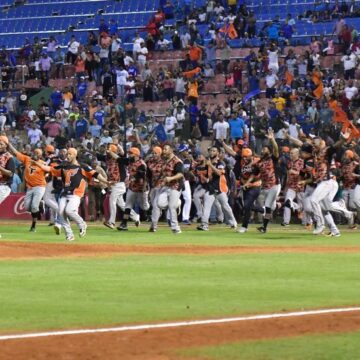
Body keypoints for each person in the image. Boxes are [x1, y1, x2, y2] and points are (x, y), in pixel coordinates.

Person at [35, 148, 110, 241]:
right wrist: (37, 163)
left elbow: (95, 174)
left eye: (70, 154)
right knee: (61, 212)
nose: (68, 156)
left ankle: (82, 223)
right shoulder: (64, 166)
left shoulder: (82, 166)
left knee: (69, 210)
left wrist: (106, 181)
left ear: (75, 155)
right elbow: (49, 169)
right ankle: (69, 234)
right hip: (65, 192)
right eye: (67, 154)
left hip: (76, 193)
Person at [7, 142, 47, 232]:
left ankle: (33, 226)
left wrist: (39, 165)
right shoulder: (27, 159)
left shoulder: (42, 163)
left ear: (40, 156)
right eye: (35, 152)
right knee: (27, 207)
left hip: (40, 187)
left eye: (38, 154)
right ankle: (40, 204)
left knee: (33, 207)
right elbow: (16, 153)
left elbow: (48, 171)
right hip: (30, 187)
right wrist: (9, 144)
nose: (36, 154)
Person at [197, 146, 237, 231]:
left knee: (225, 206)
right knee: (207, 206)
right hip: (210, 188)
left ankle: (233, 221)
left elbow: (219, 173)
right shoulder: (208, 162)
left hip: (220, 188)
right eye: (211, 150)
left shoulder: (220, 163)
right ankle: (204, 224)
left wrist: (210, 165)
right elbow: (207, 175)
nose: (211, 152)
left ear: (218, 153)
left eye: (214, 151)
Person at [150, 144, 184, 234]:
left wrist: (171, 178)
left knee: (171, 207)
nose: (164, 151)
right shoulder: (165, 161)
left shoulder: (177, 161)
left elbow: (181, 174)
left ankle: (175, 228)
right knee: (159, 204)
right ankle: (177, 203)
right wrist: (159, 181)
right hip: (166, 186)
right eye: (163, 149)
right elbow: (163, 173)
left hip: (176, 186)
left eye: (166, 149)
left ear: (171, 150)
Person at [116, 147, 148, 231]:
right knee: (128, 206)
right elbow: (119, 159)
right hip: (132, 187)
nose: (129, 155)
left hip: (142, 189)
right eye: (129, 153)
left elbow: (140, 176)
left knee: (145, 207)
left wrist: (130, 180)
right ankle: (124, 223)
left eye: (131, 153)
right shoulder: (130, 161)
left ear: (136, 155)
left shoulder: (142, 164)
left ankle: (156, 209)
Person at [0, 136, 15, 238]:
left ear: (6, 145)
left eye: (1, 144)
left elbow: (10, 174)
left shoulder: (9, 157)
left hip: (4, 186)